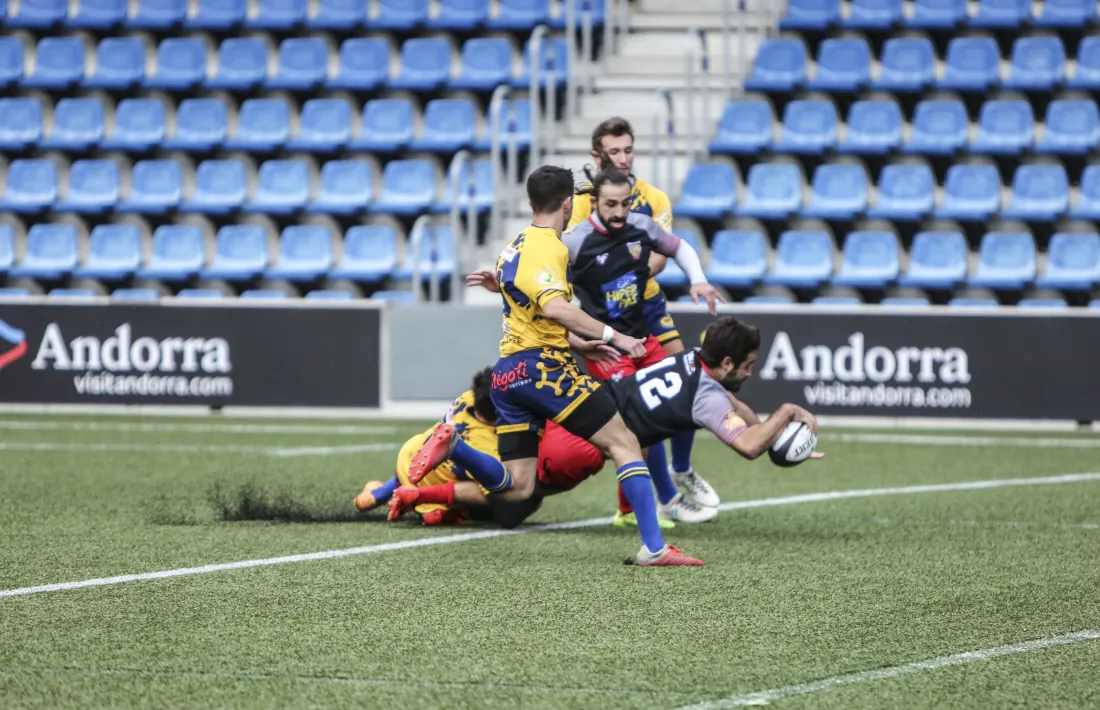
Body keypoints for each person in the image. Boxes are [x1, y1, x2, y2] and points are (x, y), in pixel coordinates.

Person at [408, 164, 703, 567]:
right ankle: (654, 548)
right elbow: (557, 308)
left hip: (507, 374)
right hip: (542, 370)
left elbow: (532, 314)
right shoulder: (551, 246)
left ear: (531, 203)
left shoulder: (514, 244)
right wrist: (615, 337)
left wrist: (583, 345)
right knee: (626, 443)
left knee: (518, 487)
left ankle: (455, 444)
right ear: (568, 204)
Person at [382, 317, 823, 536]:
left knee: (513, 485)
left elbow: (732, 404)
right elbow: (746, 446)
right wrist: (786, 414)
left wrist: (771, 428)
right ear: (726, 362)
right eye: (746, 366)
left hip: (581, 414)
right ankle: (441, 466)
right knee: (514, 499)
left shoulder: (691, 359)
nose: (748, 373)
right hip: (586, 447)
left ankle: (404, 487)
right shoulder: (706, 395)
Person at [468, 167, 724, 525]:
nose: (619, 211)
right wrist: (610, 337)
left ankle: (677, 474)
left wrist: (698, 279)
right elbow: (553, 302)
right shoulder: (568, 243)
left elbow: (678, 247)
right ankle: (652, 516)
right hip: (579, 354)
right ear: (582, 203)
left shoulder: (638, 226)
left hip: (613, 342)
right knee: (630, 434)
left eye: (624, 203)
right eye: (610, 204)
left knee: (520, 486)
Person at [567, 116, 716, 525]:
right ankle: (660, 500)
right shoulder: (577, 222)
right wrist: (571, 331)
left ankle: (675, 473)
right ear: (597, 158)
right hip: (601, 330)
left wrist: (697, 280)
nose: (623, 158)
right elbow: (549, 282)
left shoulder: (646, 206)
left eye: (628, 149)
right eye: (614, 151)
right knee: (637, 417)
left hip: (643, 311)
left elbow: (670, 249)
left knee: (685, 387)